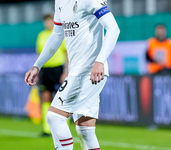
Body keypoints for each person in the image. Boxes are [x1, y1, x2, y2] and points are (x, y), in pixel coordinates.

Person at [25, 0, 120, 149]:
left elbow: (113, 28)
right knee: (85, 129)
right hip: (77, 71)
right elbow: (57, 35)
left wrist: (100, 61)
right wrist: (37, 65)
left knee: (54, 117)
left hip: (89, 71)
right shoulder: (60, 2)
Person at [36, 14, 68, 136]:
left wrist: (66, 71)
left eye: (49, 20)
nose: (47, 23)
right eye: (46, 21)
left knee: (60, 98)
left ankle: (63, 126)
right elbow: (39, 54)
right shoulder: (41, 35)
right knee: (45, 97)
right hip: (45, 70)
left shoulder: (60, 34)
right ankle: (46, 129)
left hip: (58, 69)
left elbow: (67, 53)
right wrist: (37, 69)